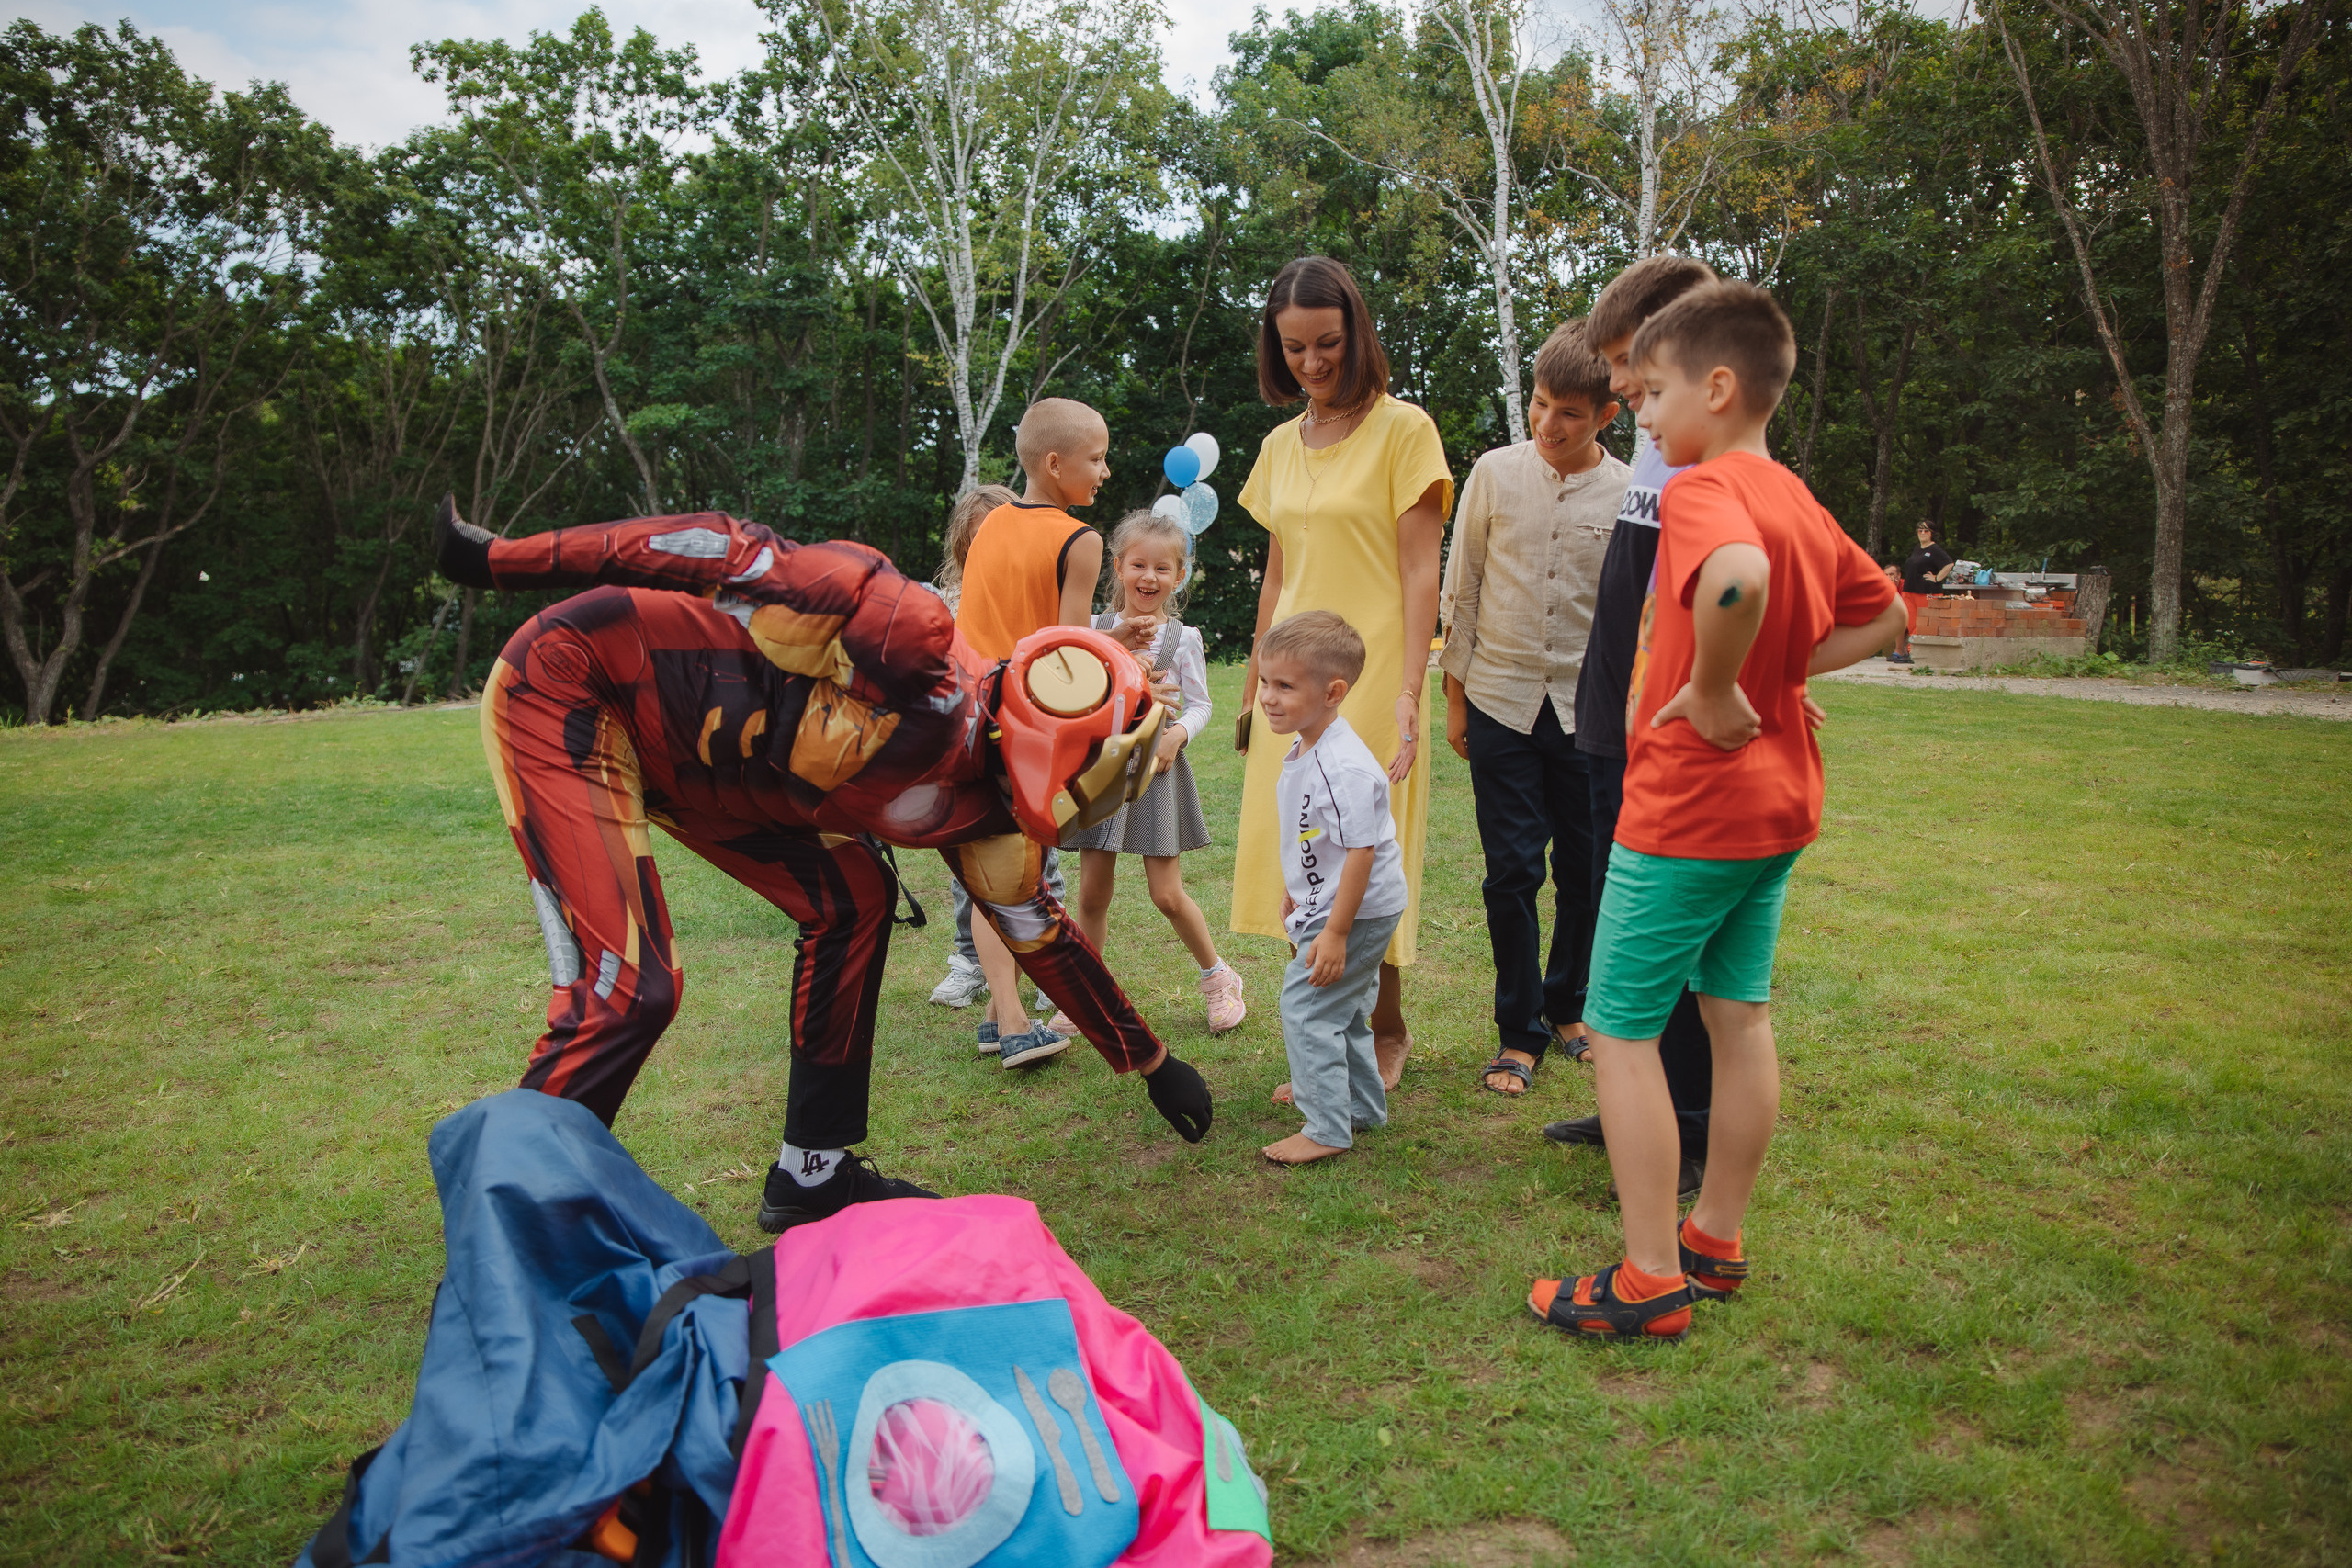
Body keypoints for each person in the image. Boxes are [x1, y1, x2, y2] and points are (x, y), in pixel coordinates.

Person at [430, 500, 1217, 1235]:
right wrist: (507, 559)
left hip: (710, 766)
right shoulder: (906, 638)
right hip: (579, 681)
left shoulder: (987, 806)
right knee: (633, 988)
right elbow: (720, 549)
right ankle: (505, 1224)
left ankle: (814, 1170)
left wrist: (1151, 1061)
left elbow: (1041, 934)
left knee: (855, 897)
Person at [1527, 281, 1905, 1342]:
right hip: (1778, 808)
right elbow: (1887, 614)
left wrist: (1714, 685)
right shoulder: (1793, 493)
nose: (1637, 417)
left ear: (1720, 387)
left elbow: (1732, 583)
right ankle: (1714, 1241)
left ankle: (1648, 1276)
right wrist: (1779, 675)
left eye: (1650, 396)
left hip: (1688, 807)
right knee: (1737, 1018)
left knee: (1622, 1032)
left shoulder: (1702, 491)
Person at [1231, 257, 1452, 1098]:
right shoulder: (1280, 445)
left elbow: (1418, 570)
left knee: (1367, 849)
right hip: (1290, 684)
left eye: (1327, 343)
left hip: (1367, 682)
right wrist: (1257, 683)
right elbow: (1277, 577)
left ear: (1357, 332)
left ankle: (1384, 1027)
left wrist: (1407, 687)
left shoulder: (1406, 430)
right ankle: (1328, 1035)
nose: (1314, 363)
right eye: (1294, 349)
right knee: (1299, 851)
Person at [1547, 254, 1724, 1201]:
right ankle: (1637, 1109)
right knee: (1624, 919)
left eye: (1626, 361)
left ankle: (1685, 1132)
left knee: (1670, 936)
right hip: (1610, 717)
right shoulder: (1663, 438)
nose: (1613, 383)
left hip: (1663, 732)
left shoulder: (1708, 448)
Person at [1440, 320, 1629, 1100]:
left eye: (1571, 414)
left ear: (1607, 415)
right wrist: (1454, 696)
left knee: (1588, 872)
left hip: (1593, 715)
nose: (1549, 426)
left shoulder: (1629, 493)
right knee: (1511, 871)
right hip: (1500, 700)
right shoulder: (1492, 472)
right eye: (1541, 406)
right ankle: (1518, 1029)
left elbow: (1633, 614)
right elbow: (1466, 585)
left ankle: (1570, 1006)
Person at [949, 398, 1110, 1066]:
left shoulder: (989, 527)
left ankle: (995, 1013)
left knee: (996, 869)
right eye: (1096, 458)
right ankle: (1016, 1021)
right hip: (1023, 726)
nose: (1104, 471)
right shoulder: (1080, 540)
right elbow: (1067, 658)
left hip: (963, 712)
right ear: (1055, 463)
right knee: (1015, 879)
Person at [1070, 510, 1247, 1032]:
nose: (1149, 578)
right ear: (1119, 567)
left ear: (1179, 575)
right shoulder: (1094, 628)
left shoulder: (1183, 638)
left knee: (1166, 893)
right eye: (1139, 565)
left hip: (1157, 770)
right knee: (1091, 895)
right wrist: (1112, 648)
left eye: (1163, 569)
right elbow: (1079, 690)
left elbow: (1200, 705)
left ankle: (1219, 978)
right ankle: (1086, 995)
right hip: (1104, 767)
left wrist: (1176, 734)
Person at [1255, 612, 1410, 1166]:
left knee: (1306, 1007)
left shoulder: (1341, 767)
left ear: (1333, 692)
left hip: (1357, 911)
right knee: (1339, 1010)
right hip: (1340, 903)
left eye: (1284, 686)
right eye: (1264, 682)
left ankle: (1326, 1126)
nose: (1267, 697)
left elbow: (1363, 852)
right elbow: (1319, 837)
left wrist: (1337, 931)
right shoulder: (1309, 746)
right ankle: (1360, 1106)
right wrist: (1300, 890)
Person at [925, 482, 1021, 1010]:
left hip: (1019, 742)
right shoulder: (948, 602)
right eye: (979, 536)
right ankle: (970, 960)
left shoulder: (1025, 593)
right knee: (971, 852)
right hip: (964, 743)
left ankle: (1037, 958)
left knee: (1031, 856)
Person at [1893, 520, 1957, 665]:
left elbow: (1949, 563)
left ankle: (1915, 653)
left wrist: (1937, 578)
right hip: (1909, 591)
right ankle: (1912, 651)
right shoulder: (1917, 548)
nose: (1922, 533)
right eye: (1920, 530)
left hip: (1925, 592)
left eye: (1926, 531)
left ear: (1932, 533)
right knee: (1910, 622)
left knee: (1921, 624)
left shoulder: (1935, 549)